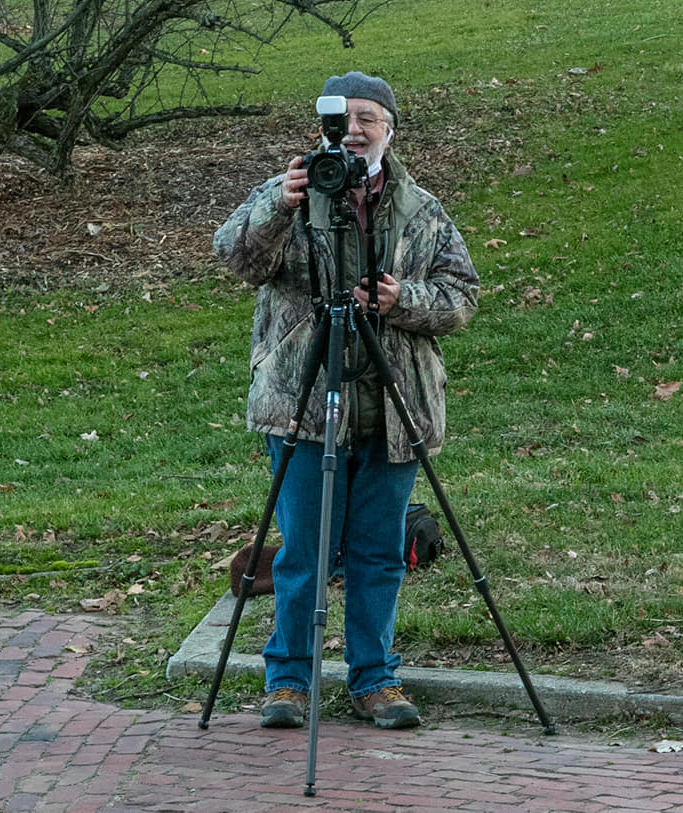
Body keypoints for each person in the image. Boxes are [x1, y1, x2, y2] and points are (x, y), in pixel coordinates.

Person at [213, 72, 479, 730]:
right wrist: (281, 200)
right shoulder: (294, 191)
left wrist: (401, 301)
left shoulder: (420, 207)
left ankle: (375, 680)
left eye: (370, 117)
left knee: (380, 552)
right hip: (303, 406)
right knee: (303, 549)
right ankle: (288, 681)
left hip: (394, 406)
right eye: (344, 117)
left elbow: (461, 296)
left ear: (390, 127)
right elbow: (235, 255)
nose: (357, 128)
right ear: (325, 124)